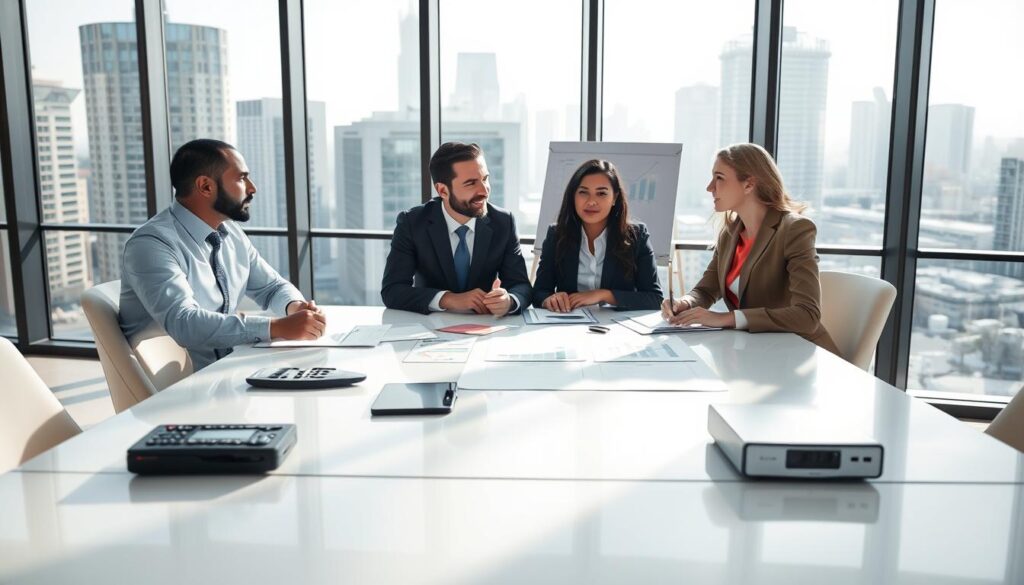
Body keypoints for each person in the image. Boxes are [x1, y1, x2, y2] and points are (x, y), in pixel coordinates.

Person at [119, 139, 326, 371]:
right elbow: (185, 324)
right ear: (206, 186)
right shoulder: (151, 245)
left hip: (227, 371)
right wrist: (275, 327)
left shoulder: (231, 234)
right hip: (181, 389)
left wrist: (295, 307)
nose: (252, 188)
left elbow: (272, 287)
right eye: (241, 178)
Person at [661, 143, 839, 354]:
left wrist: (726, 318)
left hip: (801, 353)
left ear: (748, 185)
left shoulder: (795, 229)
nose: (710, 187)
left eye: (719, 178)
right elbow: (706, 290)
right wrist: (684, 303)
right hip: (757, 352)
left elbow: (807, 316)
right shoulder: (730, 233)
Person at [381, 141, 531, 315]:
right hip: (429, 327)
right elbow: (392, 291)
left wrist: (509, 301)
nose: (484, 190)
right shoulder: (412, 223)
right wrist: (449, 299)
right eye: (471, 183)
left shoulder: (503, 222)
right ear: (443, 191)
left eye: (485, 179)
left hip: (483, 326)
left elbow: (521, 286)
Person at [533, 159, 662, 311]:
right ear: (573, 196)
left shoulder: (637, 236)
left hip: (617, 328)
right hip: (568, 323)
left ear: (614, 198)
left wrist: (603, 295)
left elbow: (655, 299)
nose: (591, 201)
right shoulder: (557, 234)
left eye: (601, 193)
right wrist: (550, 299)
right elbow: (539, 293)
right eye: (583, 192)